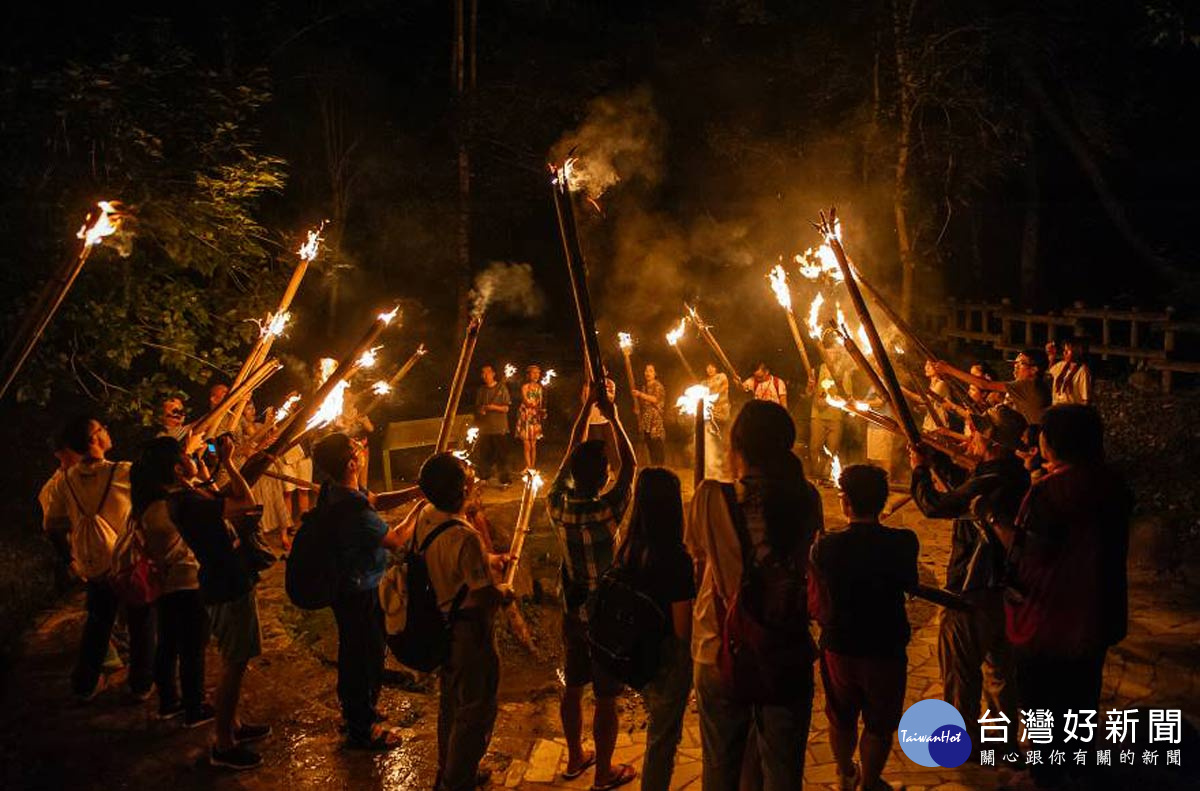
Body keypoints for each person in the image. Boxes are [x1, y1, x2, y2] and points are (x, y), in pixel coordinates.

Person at [990, 405, 1131, 787]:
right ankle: (1076, 769)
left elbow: (1028, 552)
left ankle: (1042, 776)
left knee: (1041, 705)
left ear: (1051, 442)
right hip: (1096, 615)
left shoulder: (1049, 493)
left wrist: (997, 521)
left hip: (1047, 618)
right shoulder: (1112, 485)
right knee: (1081, 698)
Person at [686, 400, 823, 791]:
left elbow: (696, 554)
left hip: (719, 647)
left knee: (720, 768)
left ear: (737, 444)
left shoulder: (711, 496)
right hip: (785, 646)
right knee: (782, 772)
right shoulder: (807, 498)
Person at [909, 405, 1030, 752]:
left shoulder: (993, 478)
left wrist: (919, 470)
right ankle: (1001, 739)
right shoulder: (1012, 474)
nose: (971, 435)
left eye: (978, 430)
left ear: (990, 439)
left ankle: (964, 744)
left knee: (961, 672)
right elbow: (961, 491)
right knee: (1001, 672)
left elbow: (935, 505)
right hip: (1005, 591)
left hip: (973, 589)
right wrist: (935, 460)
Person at [548, 385, 638, 790]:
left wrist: (585, 410)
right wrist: (613, 416)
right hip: (605, 615)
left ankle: (574, 758)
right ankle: (602, 774)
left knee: (573, 684)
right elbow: (632, 466)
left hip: (572, 612)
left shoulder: (558, 506)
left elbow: (570, 456)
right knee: (605, 696)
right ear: (603, 476)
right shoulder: (607, 511)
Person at [810, 464, 918, 791]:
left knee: (841, 716)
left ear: (845, 502)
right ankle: (869, 783)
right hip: (884, 645)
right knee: (879, 723)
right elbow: (910, 585)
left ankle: (845, 775)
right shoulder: (903, 542)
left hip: (839, 645)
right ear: (883, 501)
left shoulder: (826, 546)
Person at [409, 452, 512, 791]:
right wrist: (505, 591)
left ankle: (451, 771)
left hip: (441, 626)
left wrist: (491, 560)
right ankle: (457, 781)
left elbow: (456, 564)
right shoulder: (465, 536)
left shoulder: (426, 516)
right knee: (475, 712)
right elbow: (483, 595)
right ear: (461, 489)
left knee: (451, 706)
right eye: (468, 479)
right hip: (470, 632)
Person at [171, 433, 269, 770]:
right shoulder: (190, 501)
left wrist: (220, 467)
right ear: (176, 467)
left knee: (234, 659)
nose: (196, 453)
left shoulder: (193, 493)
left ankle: (234, 725)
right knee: (235, 663)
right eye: (187, 453)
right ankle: (223, 743)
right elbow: (245, 501)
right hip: (226, 584)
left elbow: (241, 497)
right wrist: (227, 462)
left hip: (226, 580)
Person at [44, 414, 155, 702]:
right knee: (141, 622)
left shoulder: (65, 481)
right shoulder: (124, 472)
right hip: (125, 562)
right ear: (95, 439)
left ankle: (84, 685)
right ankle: (141, 684)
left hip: (93, 564)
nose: (107, 432)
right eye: (102, 429)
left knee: (98, 623)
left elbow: (53, 526)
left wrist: (71, 559)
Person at [310, 432, 410, 751]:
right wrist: (420, 511)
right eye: (357, 449)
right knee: (362, 656)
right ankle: (361, 727)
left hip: (354, 586)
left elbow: (376, 501)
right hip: (357, 591)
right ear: (352, 462)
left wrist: (417, 492)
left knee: (361, 651)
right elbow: (394, 540)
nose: (363, 449)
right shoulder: (351, 511)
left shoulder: (336, 491)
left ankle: (358, 710)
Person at [613, 467, 694, 791]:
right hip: (665, 659)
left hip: (637, 653)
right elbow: (682, 629)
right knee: (663, 740)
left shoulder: (629, 546)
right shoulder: (675, 558)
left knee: (658, 733)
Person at [131, 437, 214, 725]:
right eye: (185, 456)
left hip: (166, 584)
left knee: (168, 643)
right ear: (176, 468)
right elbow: (218, 511)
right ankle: (194, 706)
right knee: (192, 647)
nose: (191, 458)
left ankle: (169, 701)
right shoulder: (173, 504)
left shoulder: (148, 503)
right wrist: (204, 479)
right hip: (188, 581)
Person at [935, 349, 1050, 426]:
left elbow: (985, 384)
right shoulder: (1031, 386)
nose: (1015, 366)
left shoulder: (1028, 385)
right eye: (1015, 362)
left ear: (1034, 369)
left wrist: (949, 369)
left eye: (1021, 363)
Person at [39, 428, 82, 587]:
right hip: (84, 560)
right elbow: (52, 528)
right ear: (60, 453)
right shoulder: (54, 486)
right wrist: (70, 561)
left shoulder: (90, 475)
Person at [808, 341, 852, 479]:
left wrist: (830, 401)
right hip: (817, 416)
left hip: (835, 417)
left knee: (833, 450)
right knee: (815, 447)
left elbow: (848, 397)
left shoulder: (844, 374)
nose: (831, 355)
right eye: (829, 352)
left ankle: (828, 475)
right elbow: (809, 393)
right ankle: (817, 475)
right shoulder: (816, 370)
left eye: (834, 352)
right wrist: (810, 388)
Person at [474, 364, 512, 487]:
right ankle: (484, 477)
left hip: (500, 428)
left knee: (502, 456)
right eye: (483, 374)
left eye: (487, 373)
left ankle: (504, 480)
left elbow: (506, 408)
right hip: (485, 429)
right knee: (485, 455)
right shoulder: (481, 390)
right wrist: (482, 410)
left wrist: (493, 407)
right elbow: (478, 407)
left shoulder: (502, 388)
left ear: (493, 374)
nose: (485, 376)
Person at [632, 363, 667, 466]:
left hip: (655, 419)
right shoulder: (644, 387)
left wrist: (640, 394)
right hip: (646, 419)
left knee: (657, 444)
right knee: (650, 445)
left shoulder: (658, 385)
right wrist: (637, 408)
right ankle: (653, 467)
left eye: (651, 371)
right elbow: (643, 403)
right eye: (646, 370)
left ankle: (660, 467)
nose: (648, 373)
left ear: (655, 373)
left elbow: (655, 399)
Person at [704, 363, 732, 481]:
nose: (710, 369)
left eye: (712, 366)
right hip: (710, 415)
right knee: (711, 442)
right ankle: (713, 469)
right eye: (708, 366)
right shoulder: (703, 383)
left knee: (724, 441)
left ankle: (725, 470)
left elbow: (722, 389)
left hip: (723, 414)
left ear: (716, 368)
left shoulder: (722, 376)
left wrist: (710, 394)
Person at [516, 364, 546, 469]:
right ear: (528, 375)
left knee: (533, 444)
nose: (536, 375)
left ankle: (532, 466)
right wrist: (534, 406)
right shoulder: (525, 387)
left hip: (534, 417)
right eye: (533, 373)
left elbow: (540, 403)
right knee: (526, 444)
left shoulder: (539, 388)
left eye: (538, 373)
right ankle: (527, 466)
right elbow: (526, 401)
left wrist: (542, 411)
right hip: (526, 416)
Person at [1048, 337, 1092, 405]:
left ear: (1076, 351)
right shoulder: (1061, 365)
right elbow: (1051, 371)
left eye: (1068, 350)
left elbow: (1085, 398)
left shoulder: (1082, 370)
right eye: (1064, 350)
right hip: (1057, 408)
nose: (1064, 353)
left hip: (1071, 410)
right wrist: (1051, 355)